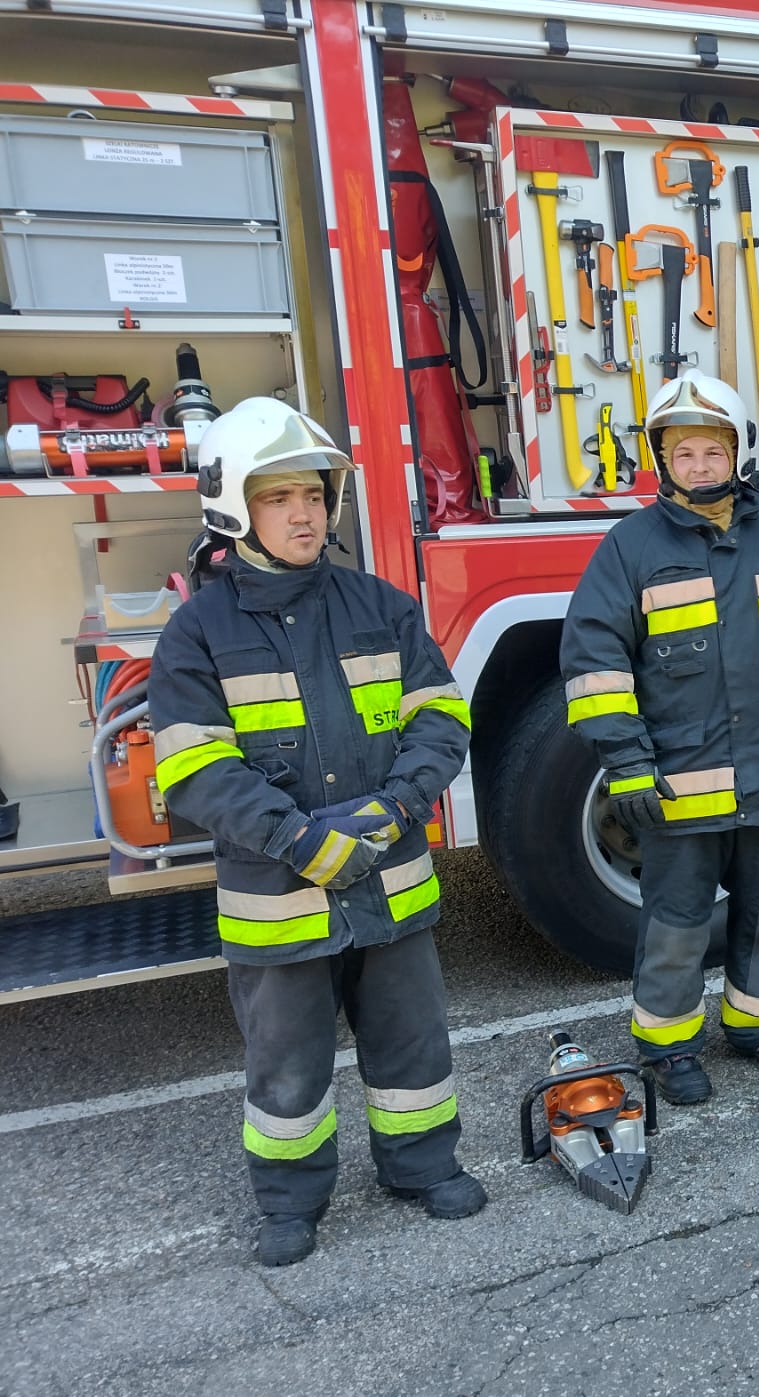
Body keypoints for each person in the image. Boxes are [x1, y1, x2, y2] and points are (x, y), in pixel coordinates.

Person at [149, 398, 484, 1268]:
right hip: (277, 897)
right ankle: (291, 1202)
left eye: (314, 493)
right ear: (233, 507)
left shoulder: (382, 606)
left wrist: (397, 805)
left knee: (410, 1038)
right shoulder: (197, 635)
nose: (304, 513)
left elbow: (441, 720)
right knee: (287, 1063)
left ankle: (422, 1166)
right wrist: (299, 840)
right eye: (277, 496)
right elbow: (193, 770)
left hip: (388, 873)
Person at [560, 372, 759, 1104]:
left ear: (739, 452)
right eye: (682, 452)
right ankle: (668, 1048)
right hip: (678, 788)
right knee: (676, 923)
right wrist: (626, 765)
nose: (699, 465)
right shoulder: (628, 550)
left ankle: (758, 1026)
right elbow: (595, 661)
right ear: (662, 461)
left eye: (712, 451)